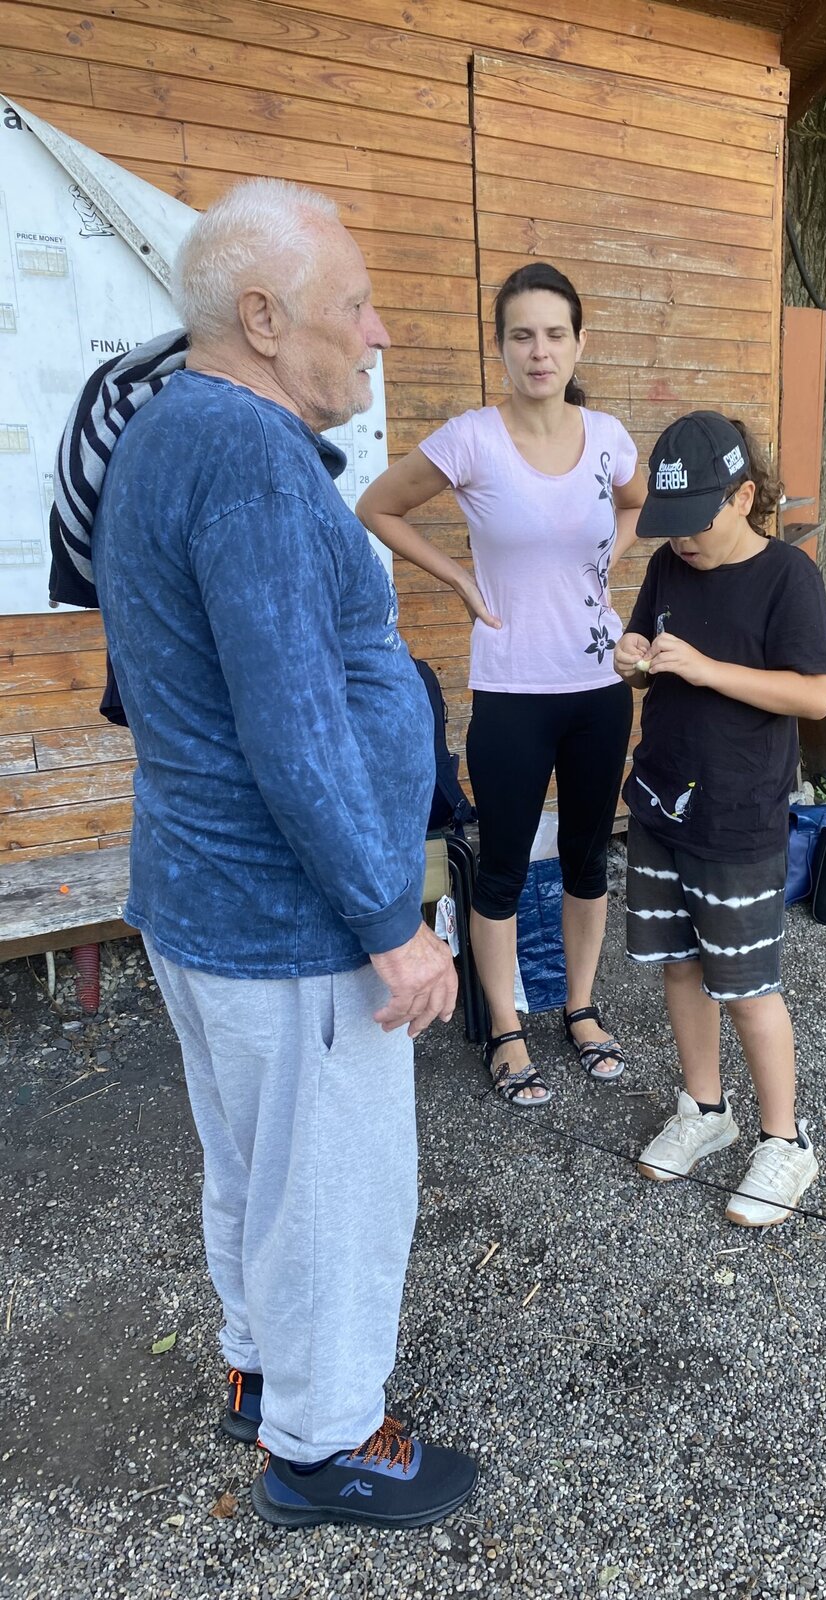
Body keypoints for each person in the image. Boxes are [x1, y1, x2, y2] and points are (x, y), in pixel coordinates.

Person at [88, 177, 477, 1529]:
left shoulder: (165, 429)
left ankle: (264, 1373)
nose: (378, 334)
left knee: (256, 1161)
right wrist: (390, 924)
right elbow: (292, 726)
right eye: (354, 306)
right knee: (333, 1190)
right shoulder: (249, 460)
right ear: (262, 318)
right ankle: (327, 1445)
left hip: (205, 898)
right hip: (288, 920)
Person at [357, 263, 646, 1108]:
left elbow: (637, 506)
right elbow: (378, 506)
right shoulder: (472, 440)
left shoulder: (609, 437)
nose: (539, 351)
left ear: (580, 342)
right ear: (501, 347)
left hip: (598, 686)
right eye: (522, 335)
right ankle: (507, 1028)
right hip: (512, 691)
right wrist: (458, 578)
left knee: (589, 859)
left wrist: (608, 563)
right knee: (505, 868)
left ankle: (582, 1009)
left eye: (555, 334)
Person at [613, 411, 826, 1228]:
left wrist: (709, 671)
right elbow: (643, 648)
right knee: (678, 965)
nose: (681, 541)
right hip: (660, 802)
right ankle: (706, 1110)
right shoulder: (670, 566)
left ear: (743, 497)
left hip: (739, 816)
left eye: (694, 523)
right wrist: (633, 661)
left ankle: (785, 1140)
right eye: (668, 525)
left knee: (745, 985)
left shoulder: (787, 577)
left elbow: (815, 695)